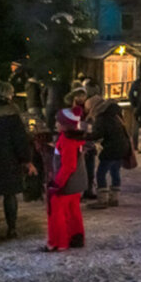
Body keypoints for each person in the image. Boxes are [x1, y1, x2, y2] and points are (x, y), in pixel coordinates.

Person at [0, 80, 36, 240]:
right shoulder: (11, 112)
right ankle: (12, 228)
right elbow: (20, 140)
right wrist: (26, 160)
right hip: (8, 160)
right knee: (9, 195)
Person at [47, 108, 88, 251]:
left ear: (65, 125)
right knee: (73, 212)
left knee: (57, 212)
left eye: (58, 122)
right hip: (76, 183)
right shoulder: (76, 137)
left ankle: (59, 242)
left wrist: (57, 184)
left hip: (66, 184)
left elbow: (68, 166)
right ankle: (75, 238)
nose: (56, 124)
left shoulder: (66, 140)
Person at [84, 96, 130, 209]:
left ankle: (102, 200)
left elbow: (98, 134)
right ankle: (114, 198)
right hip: (122, 146)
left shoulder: (102, 116)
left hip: (111, 148)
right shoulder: (113, 112)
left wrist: (84, 136)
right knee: (115, 172)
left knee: (101, 173)